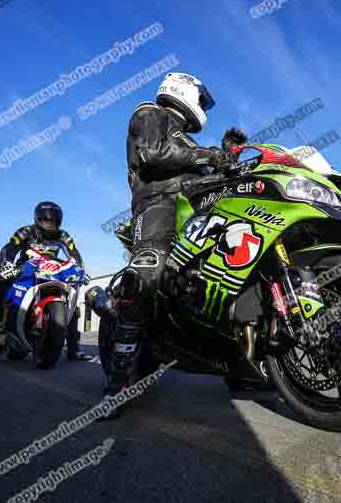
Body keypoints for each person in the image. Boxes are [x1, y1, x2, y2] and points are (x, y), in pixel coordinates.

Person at [103, 72, 245, 410]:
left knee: (231, 269)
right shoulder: (149, 113)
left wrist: (228, 155)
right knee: (146, 278)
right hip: (157, 205)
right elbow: (153, 154)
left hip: (195, 211)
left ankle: (243, 367)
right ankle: (119, 380)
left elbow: (207, 174)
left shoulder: (187, 141)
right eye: (201, 98)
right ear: (184, 91)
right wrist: (211, 155)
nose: (203, 105)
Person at [0, 201, 91, 361]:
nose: (50, 224)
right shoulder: (25, 232)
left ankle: (73, 348)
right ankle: (1, 326)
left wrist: (80, 270)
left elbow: (74, 254)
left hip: (53, 269)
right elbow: (9, 249)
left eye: (54, 221)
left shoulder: (63, 235)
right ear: (37, 219)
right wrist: (6, 264)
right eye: (46, 220)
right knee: (3, 284)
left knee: (73, 302)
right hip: (27, 267)